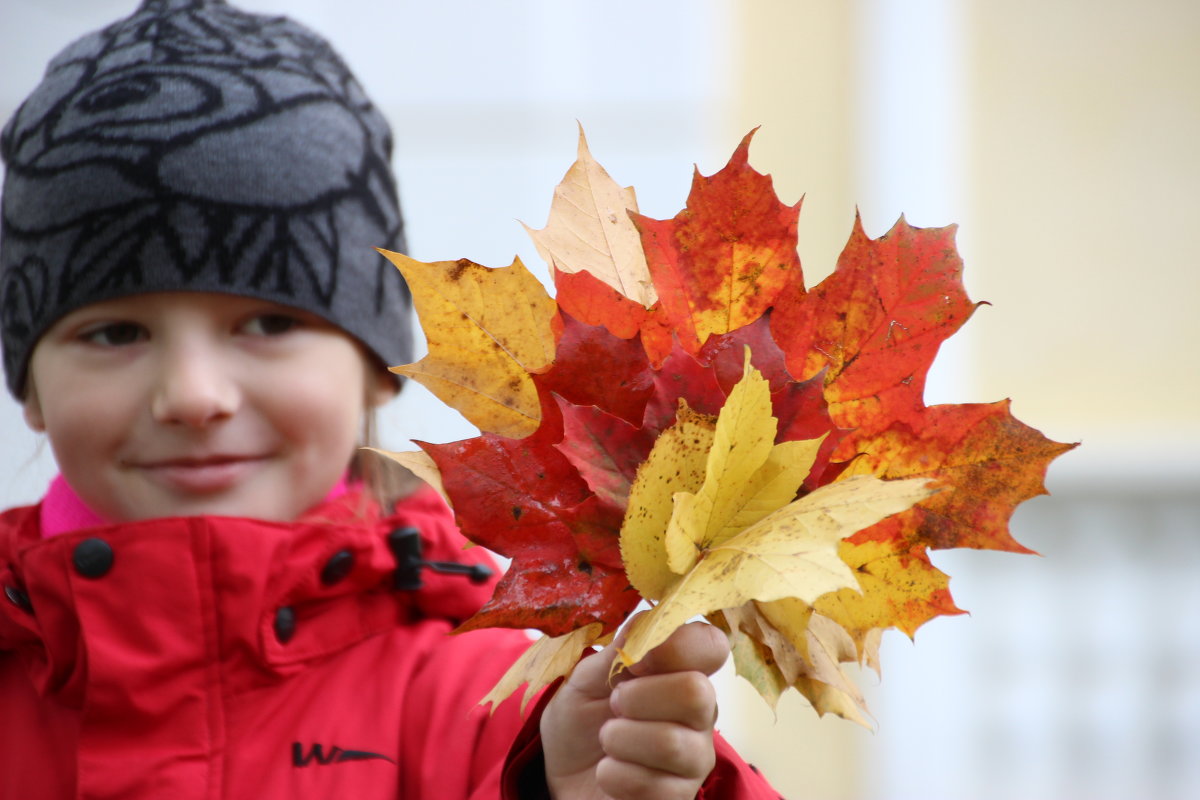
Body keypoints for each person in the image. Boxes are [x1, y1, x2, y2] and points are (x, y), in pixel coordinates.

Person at [0, 2, 781, 798]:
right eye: (115, 334)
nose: (193, 396)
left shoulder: (511, 710)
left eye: (268, 323)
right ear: (29, 382)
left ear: (378, 366)